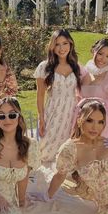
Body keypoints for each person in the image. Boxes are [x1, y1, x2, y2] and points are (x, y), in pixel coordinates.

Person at [32, 99, 108, 214]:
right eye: (90, 120)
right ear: (79, 120)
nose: (95, 127)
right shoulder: (71, 149)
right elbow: (60, 176)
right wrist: (47, 195)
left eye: (100, 122)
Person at [34, 29, 91, 166]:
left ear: (70, 44)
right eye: (57, 44)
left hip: (71, 112)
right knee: (45, 147)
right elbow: (40, 95)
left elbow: (88, 84)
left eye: (65, 43)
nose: (61, 48)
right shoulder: (45, 67)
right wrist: (41, 118)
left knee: (65, 147)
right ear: (52, 47)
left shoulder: (76, 67)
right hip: (52, 110)